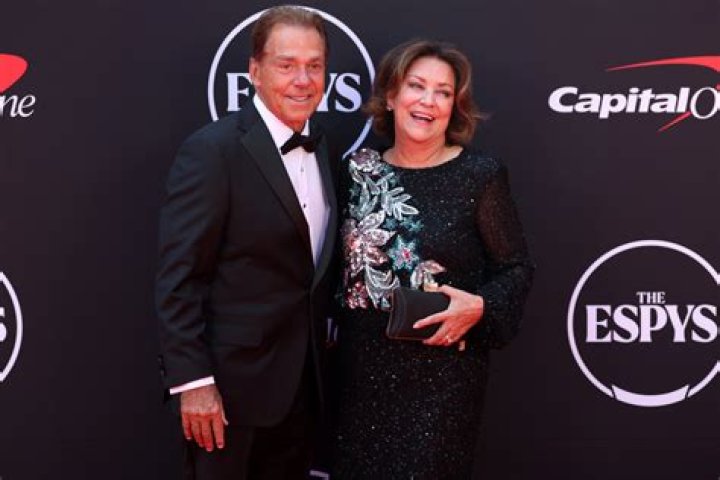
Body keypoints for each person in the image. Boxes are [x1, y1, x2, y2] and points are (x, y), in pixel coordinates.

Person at [330, 39, 534, 478]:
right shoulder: (357, 172)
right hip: (359, 378)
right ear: (391, 96)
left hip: (442, 383)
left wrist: (480, 306)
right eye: (416, 86)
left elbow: (516, 268)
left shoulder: (479, 175)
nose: (428, 101)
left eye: (443, 92)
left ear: (454, 106)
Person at [155, 6, 338, 479]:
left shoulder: (325, 147)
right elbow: (179, 278)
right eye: (286, 64)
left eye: (314, 65)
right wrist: (193, 383)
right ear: (255, 71)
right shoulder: (213, 151)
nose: (303, 80)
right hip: (226, 398)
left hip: (303, 392)